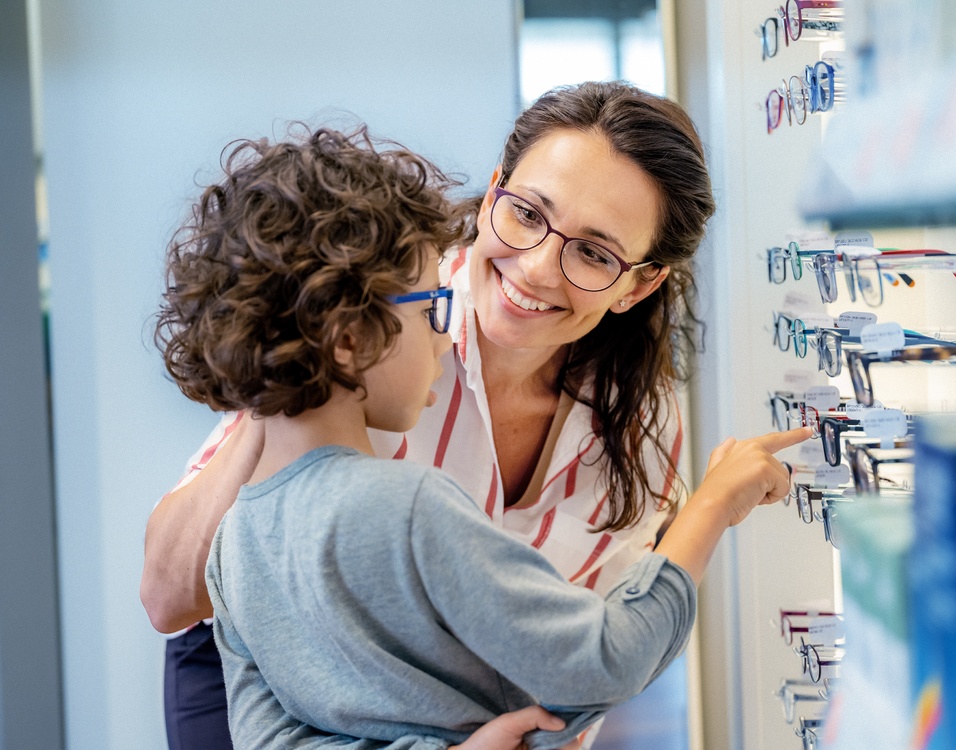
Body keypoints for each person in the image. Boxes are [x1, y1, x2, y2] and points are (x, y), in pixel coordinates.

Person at [141, 82, 811, 749]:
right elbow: (172, 597)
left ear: (639, 283)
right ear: (495, 193)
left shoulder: (637, 426)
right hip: (296, 680)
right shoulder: (366, 328)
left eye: (594, 252)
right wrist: (285, 377)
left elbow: (582, 670)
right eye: (527, 213)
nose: (540, 268)